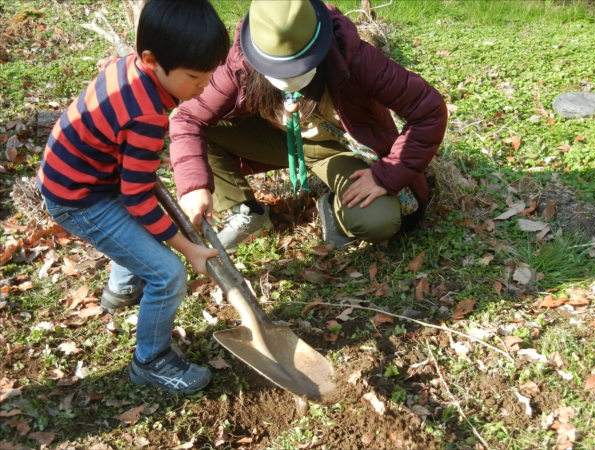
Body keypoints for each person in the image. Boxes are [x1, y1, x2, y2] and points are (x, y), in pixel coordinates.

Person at [36, 0, 230, 394]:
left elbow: (134, 185)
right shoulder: (145, 115)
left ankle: (122, 289)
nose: (204, 87)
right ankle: (151, 360)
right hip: (80, 198)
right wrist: (187, 250)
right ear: (151, 59)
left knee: (137, 239)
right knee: (167, 273)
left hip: (85, 177)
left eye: (210, 75)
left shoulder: (129, 67)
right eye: (195, 76)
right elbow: (138, 198)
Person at [169, 0, 447, 254]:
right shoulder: (242, 62)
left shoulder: (354, 57)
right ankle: (247, 210)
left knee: (378, 222)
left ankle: (333, 206)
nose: (288, 79)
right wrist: (192, 185)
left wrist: (386, 174)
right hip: (279, 139)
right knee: (204, 133)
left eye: (299, 67)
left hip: (339, 149)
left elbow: (429, 110)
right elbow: (189, 119)